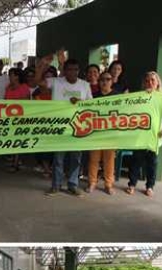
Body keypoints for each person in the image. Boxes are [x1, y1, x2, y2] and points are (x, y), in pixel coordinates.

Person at [35, 50, 92, 196]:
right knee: (58, 159)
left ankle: (73, 185)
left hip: (78, 127)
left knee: (76, 159)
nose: (72, 72)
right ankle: (56, 185)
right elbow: (37, 82)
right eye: (69, 69)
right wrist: (42, 65)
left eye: (75, 69)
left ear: (79, 71)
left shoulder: (85, 85)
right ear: (64, 70)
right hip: (59, 127)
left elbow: (91, 106)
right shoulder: (56, 82)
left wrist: (79, 103)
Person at [125, 71, 162, 197]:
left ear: (157, 83)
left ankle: (150, 186)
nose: (150, 82)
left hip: (156, 136)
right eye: (147, 80)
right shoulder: (139, 97)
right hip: (140, 135)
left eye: (152, 80)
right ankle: (132, 184)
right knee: (136, 160)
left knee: (152, 163)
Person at [86, 72, 119, 194]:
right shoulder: (93, 96)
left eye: (108, 79)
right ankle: (92, 182)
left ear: (112, 81)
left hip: (111, 133)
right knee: (93, 159)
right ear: (99, 81)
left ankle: (108, 184)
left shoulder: (118, 96)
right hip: (95, 132)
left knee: (109, 160)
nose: (105, 81)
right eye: (102, 79)